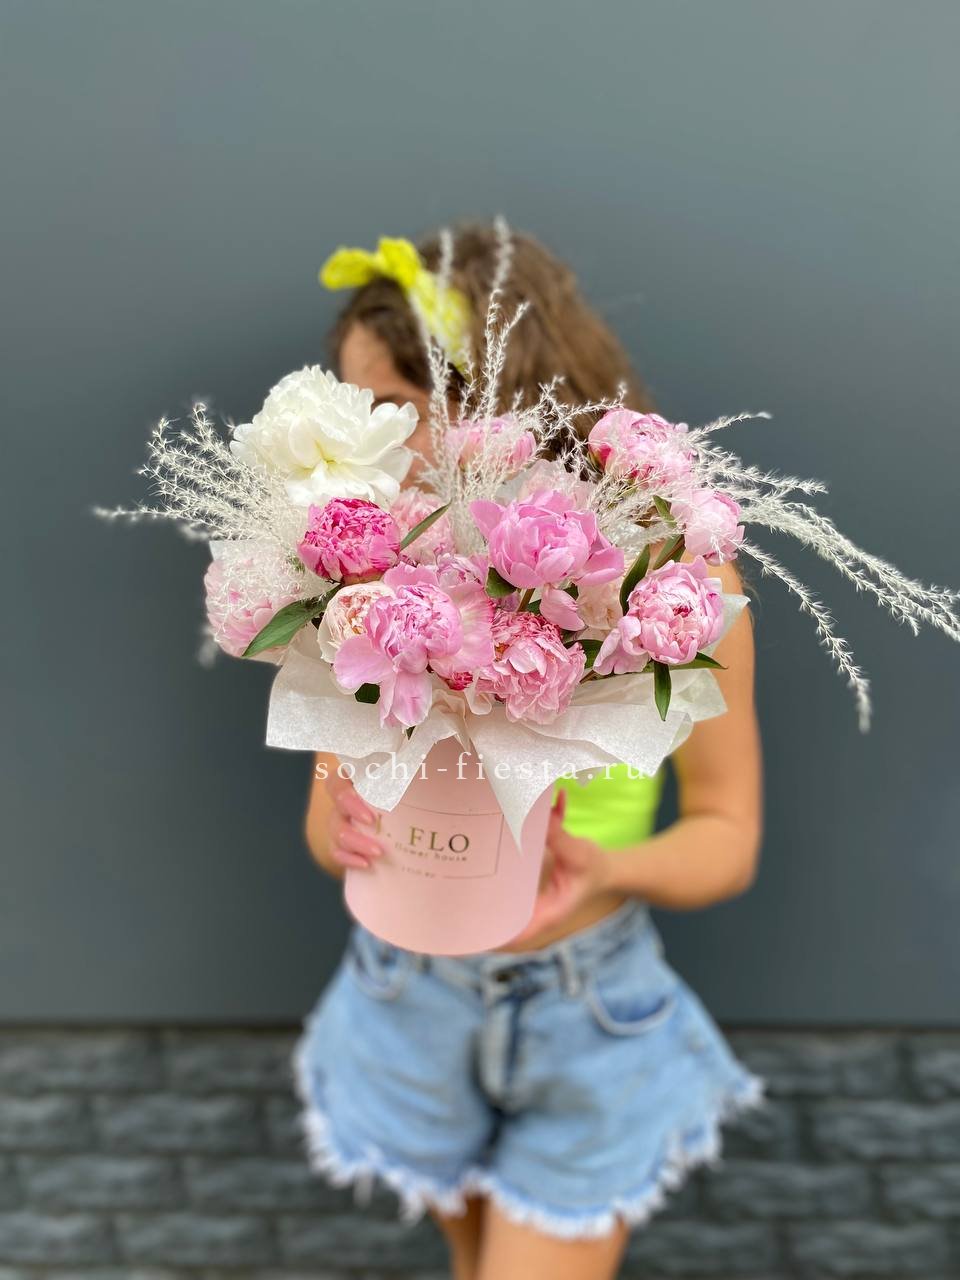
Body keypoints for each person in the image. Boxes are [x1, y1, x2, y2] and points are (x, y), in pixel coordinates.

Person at [296, 224, 764, 1280]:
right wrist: (346, 825)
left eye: (393, 407)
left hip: (585, 1008)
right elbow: (325, 828)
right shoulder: (357, 582)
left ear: (503, 397)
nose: (360, 438)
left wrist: (608, 868)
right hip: (405, 997)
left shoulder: (674, 587)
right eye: (349, 404)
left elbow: (727, 834)